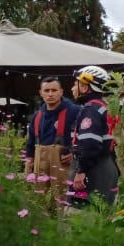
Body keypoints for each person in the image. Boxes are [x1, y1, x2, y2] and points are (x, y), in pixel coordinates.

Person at [23, 76, 81, 207]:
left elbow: (85, 137)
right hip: (40, 161)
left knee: (63, 200)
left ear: (61, 92)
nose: (50, 94)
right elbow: (31, 142)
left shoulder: (75, 111)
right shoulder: (37, 116)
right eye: (47, 90)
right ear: (41, 93)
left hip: (62, 163)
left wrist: (75, 153)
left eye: (54, 90)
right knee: (39, 201)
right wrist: (29, 161)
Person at [69, 65, 120, 206]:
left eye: (75, 84)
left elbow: (90, 144)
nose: (72, 88)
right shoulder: (105, 107)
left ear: (85, 87)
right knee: (102, 216)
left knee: (85, 218)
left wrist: (81, 171)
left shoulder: (91, 109)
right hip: (106, 166)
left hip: (94, 170)